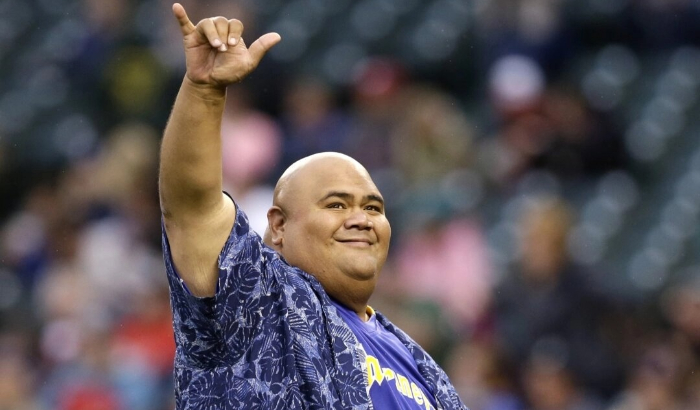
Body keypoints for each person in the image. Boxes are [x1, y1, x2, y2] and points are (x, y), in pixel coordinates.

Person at [158, 3, 468, 409]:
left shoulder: (419, 362)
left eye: (374, 208)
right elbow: (190, 208)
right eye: (337, 205)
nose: (362, 219)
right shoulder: (258, 301)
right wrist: (203, 91)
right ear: (279, 227)